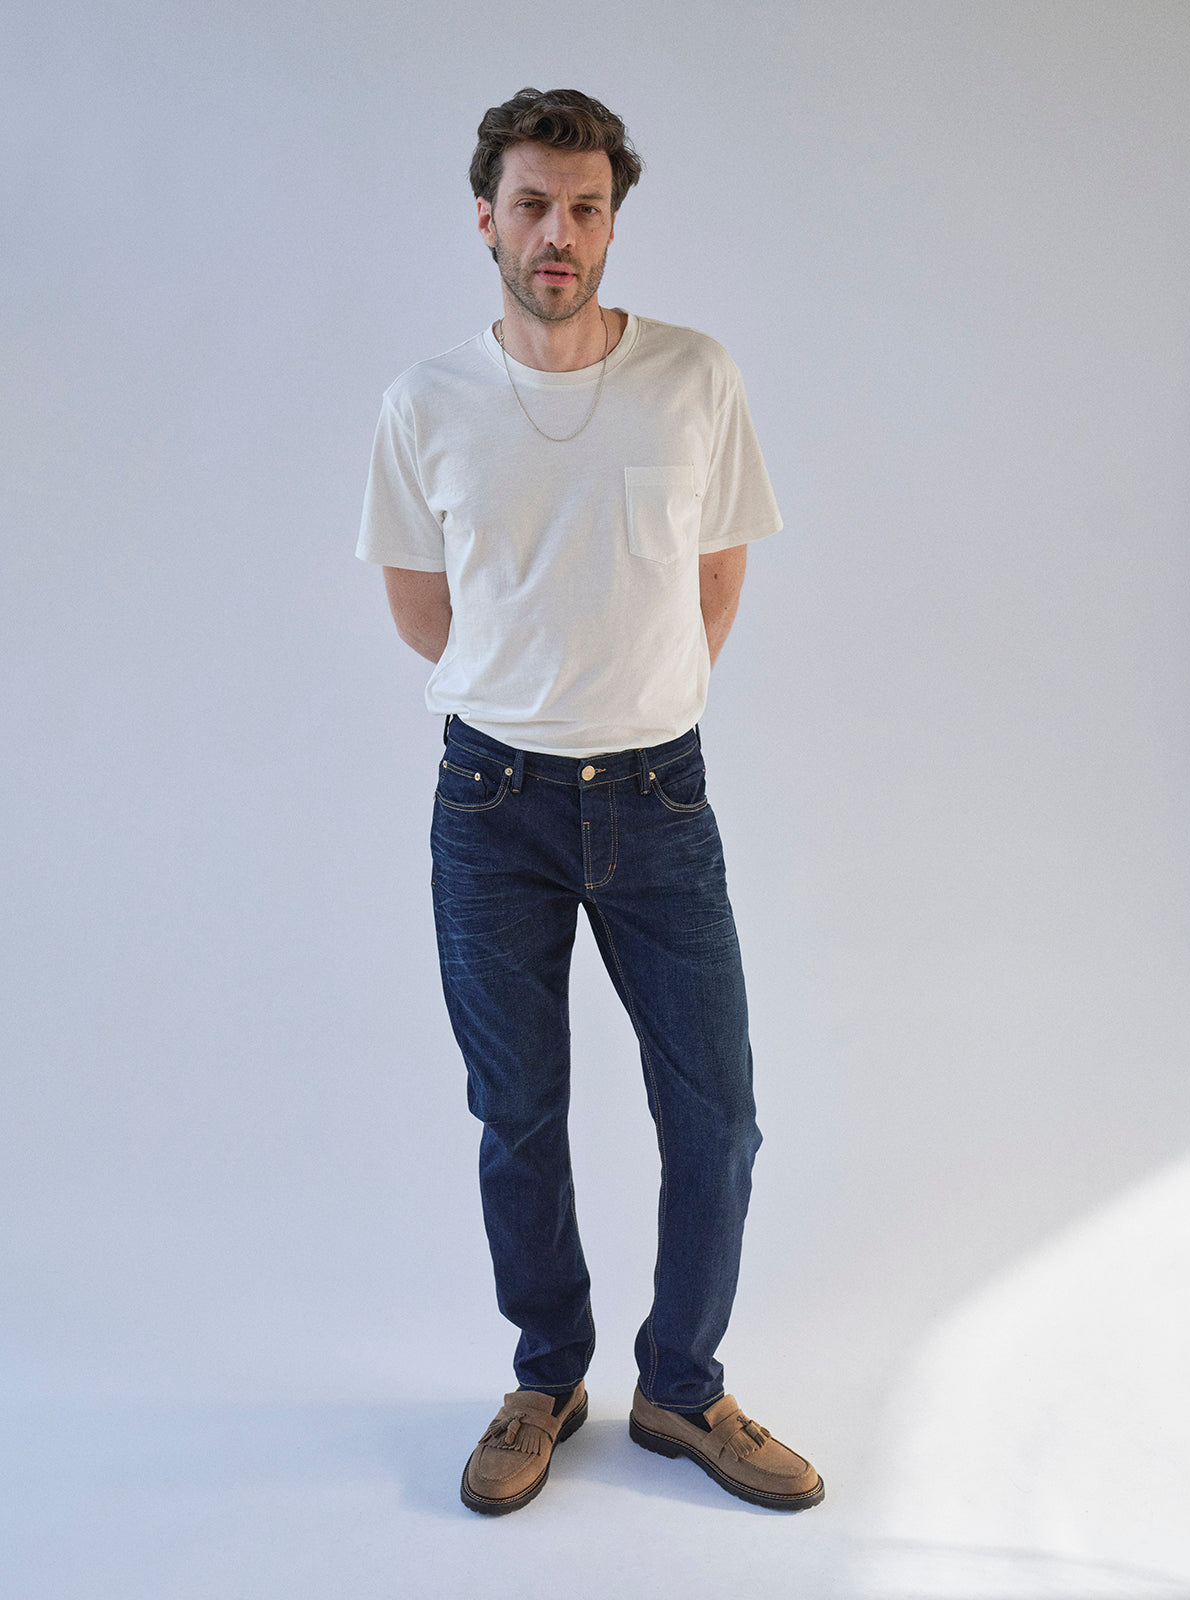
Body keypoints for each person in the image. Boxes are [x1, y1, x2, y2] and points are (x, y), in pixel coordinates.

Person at [357, 86, 823, 1517]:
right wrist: (537, 696)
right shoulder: (425, 403)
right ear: (485, 219)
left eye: (585, 207)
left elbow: (719, 578)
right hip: (491, 803)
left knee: (719, 1115)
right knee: (519, 1114)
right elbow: (424, 612)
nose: (557, 233)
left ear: (612, 222)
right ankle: (546, 1377)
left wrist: (633, 703)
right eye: (532, 206)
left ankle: (682, 1385)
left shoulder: (694, 375)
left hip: (660, 800)